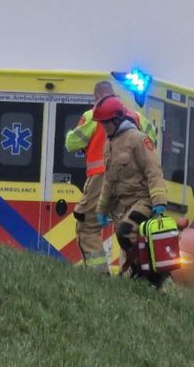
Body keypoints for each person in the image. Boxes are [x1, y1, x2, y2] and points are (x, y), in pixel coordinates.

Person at [65, 81, 157, 272]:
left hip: (100, 179)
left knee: (87, 226)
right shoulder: (137, 116)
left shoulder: (92, 116)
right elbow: (152, 139)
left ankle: (98, 273)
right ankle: (131, 274)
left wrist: (70, 134)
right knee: (125, 228)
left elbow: (72, 143)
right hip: (128, 180)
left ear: (97, 98)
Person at [94, 96, 168, 288]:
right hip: (123, 205)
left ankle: (148, 276)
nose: (104, 127)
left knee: (126, 232)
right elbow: (108, 181)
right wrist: (101, 210)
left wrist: (159, 201)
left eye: (106, 123)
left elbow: (153, 170)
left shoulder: (138, 139)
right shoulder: (109, 146)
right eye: (102, 123)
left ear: (117, 119)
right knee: (128, 239)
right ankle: (144, 278)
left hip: (144, 200)